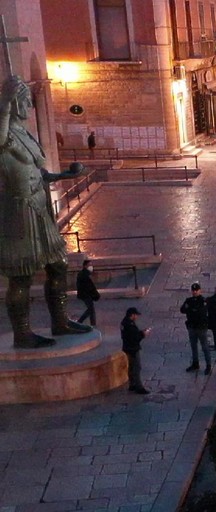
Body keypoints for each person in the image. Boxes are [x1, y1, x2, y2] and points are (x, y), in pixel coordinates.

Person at [0, 75, 90, 348]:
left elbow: (37, 172)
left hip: (40, 207)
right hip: (20, 211)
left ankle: (60, 321)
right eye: (25, 101)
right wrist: (4, 102)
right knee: (22, 275)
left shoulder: (22, 132)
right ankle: (23, 333)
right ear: (14, 103)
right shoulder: (4, 133)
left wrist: (64, 174)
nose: (30, 106)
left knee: (59, 264)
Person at [180, 282, 211, 375]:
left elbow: (200, 312)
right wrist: (191, 309)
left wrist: (191, 309)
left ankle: (208, 365)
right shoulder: (189, 300)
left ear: (200, 290)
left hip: (201, 327)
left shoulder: (204, 300)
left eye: (196, 290)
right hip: (192, 327)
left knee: (205, 347)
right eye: (193, 290)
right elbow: (182, 310)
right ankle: (195, 363)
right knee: (193, 346)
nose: (194, 292)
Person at [121, 307, 151, 395]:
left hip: (127, 347)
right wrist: (143, 334)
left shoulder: (124, 322)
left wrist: (140, 332)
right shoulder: (129, 325)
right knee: (137, 367)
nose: (137, 317)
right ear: (132, 315)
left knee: (131, 367)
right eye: (136, 315)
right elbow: (135, 338)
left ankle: (132, 384)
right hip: (132, 349)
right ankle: (139, 387)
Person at [76, 259, 100, 326]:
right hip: (86, 295)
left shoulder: (84, 274)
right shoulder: (84, 275)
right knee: (91, 310)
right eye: (89, 265)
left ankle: (90, 324)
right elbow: (89, 286)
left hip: (85, 295)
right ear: (85, 266)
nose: (91, 266)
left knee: (91, 310)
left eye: (91, 265)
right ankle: (80, 322)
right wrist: (95, 294)